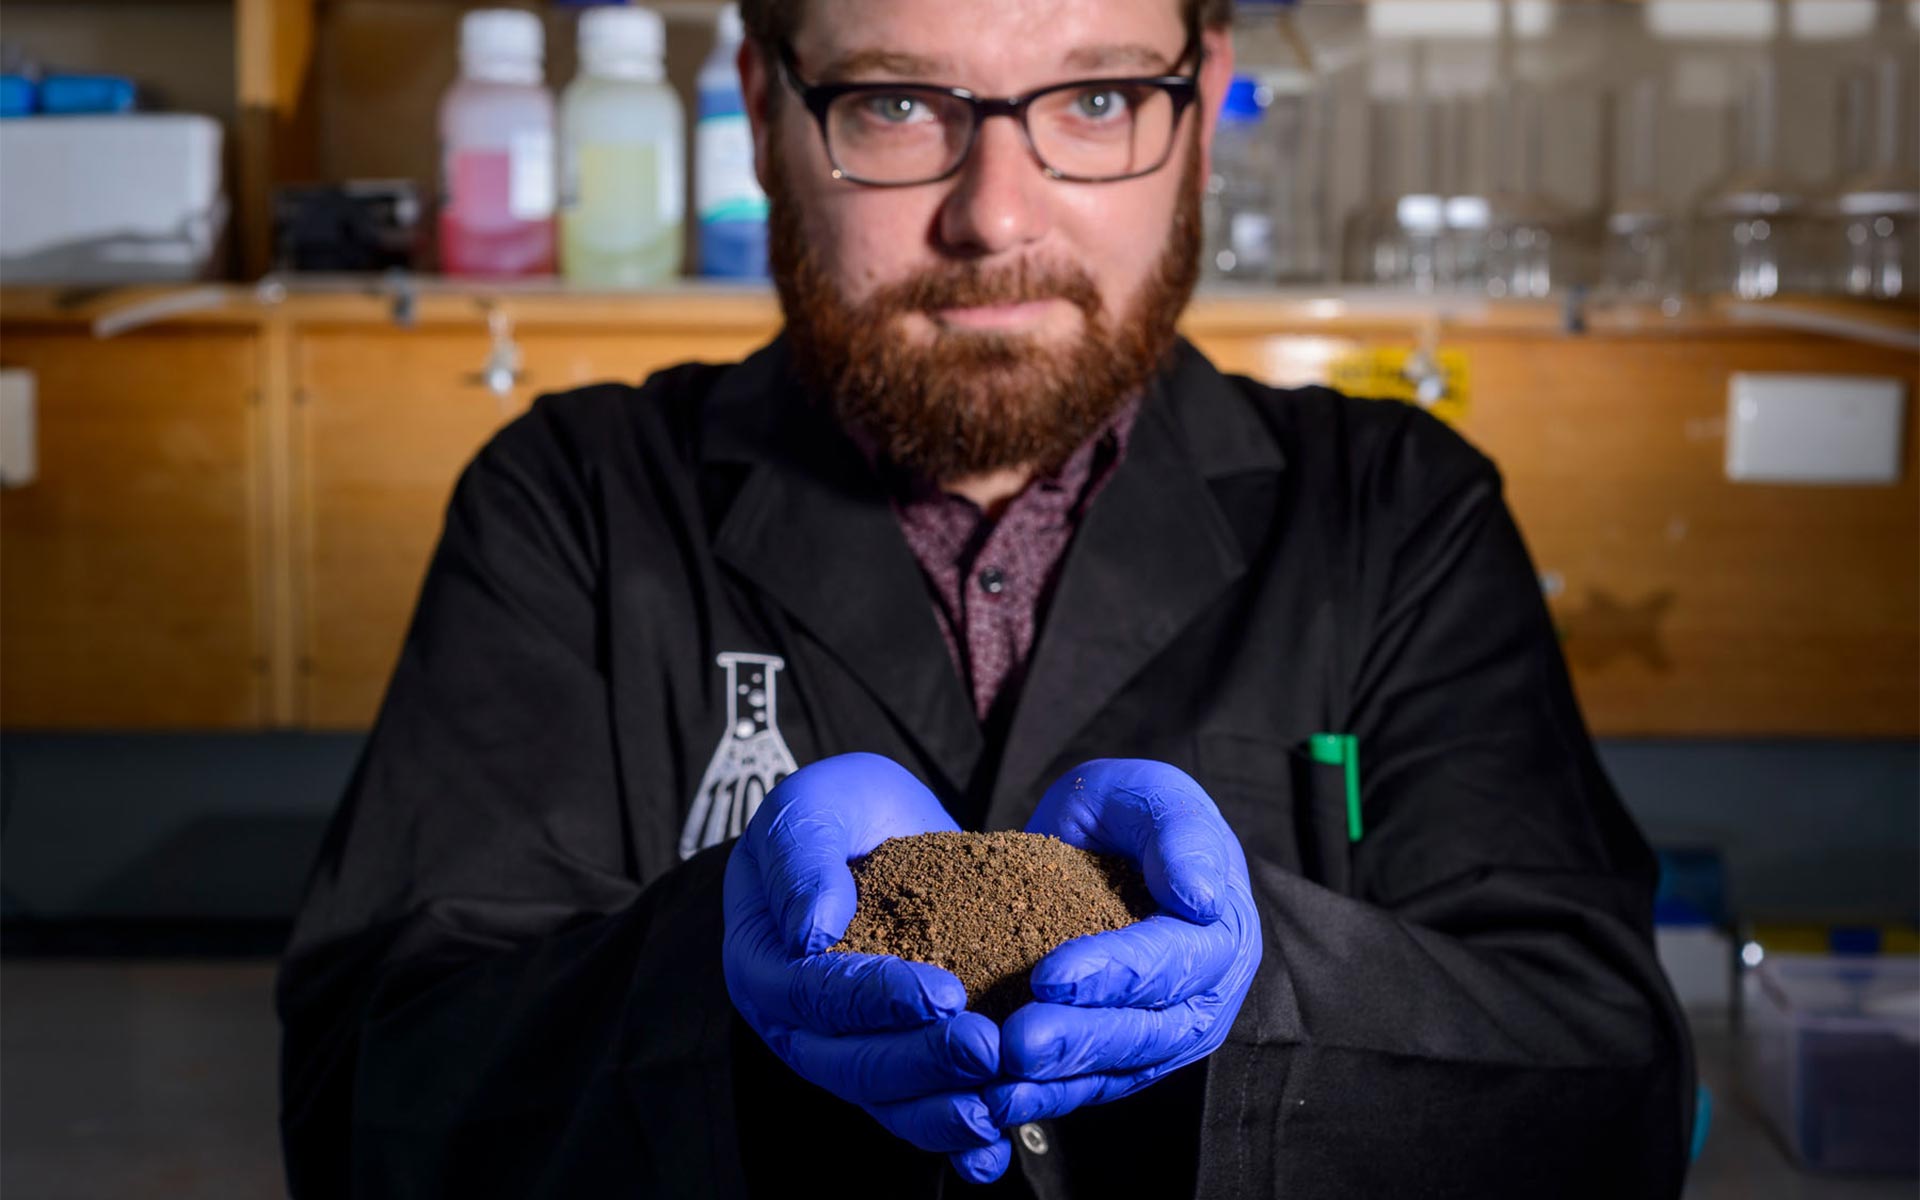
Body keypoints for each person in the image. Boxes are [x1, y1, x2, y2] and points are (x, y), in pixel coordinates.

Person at [276, 0, 1696, 1195]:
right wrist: (706, 971)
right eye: (896, 106)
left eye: (1094, 98)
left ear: (1196, 113)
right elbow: (364, 1105)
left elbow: (1608, 1095)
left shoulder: (1399, 515)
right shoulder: (575, 505)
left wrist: (1271, 990)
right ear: (769, 117)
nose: (994, 214)